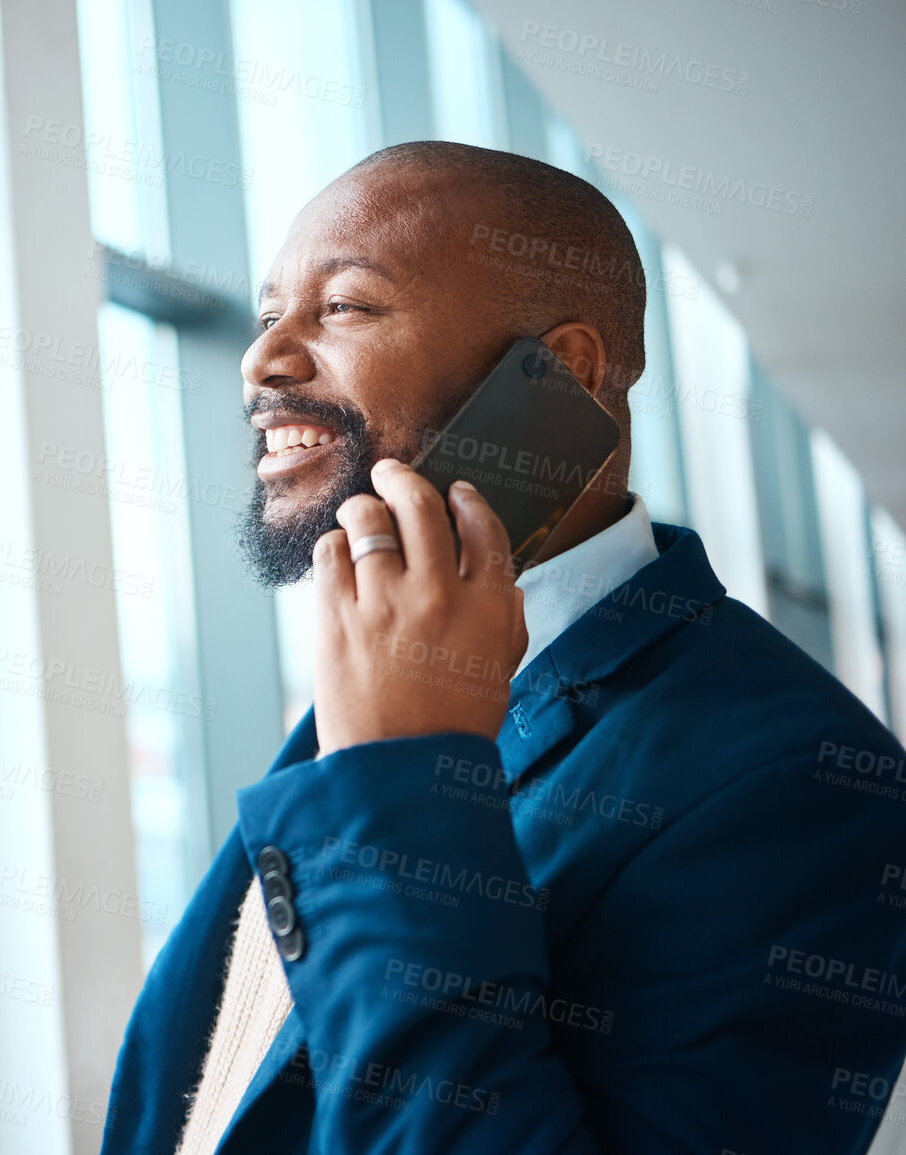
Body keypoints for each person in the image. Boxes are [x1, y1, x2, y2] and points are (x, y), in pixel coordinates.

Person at [100, 141, 906, 1155]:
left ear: (560, 373)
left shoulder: (803, 782)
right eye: (268, 316)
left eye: (343, 306)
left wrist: (400, 782)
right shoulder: (383, 661)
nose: (263, 359)